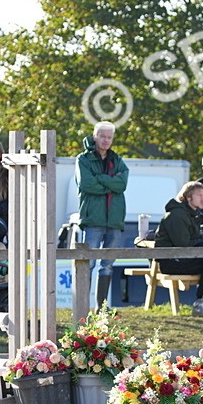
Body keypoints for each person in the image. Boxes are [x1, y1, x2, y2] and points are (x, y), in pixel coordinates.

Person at [76, 121, 129, 309]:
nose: (106, 140)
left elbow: (122, 184)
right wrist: (110, 184)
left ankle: (102, 308)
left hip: (114, 221)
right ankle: (83, 305)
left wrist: (100, 179)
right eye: (103, 136)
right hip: (93, 220)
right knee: (87, 264)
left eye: (109, 137)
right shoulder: (83, 159)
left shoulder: (117, 160)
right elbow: (86, 184)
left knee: (107, 265)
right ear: (95, 136)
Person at [155, 181, 203, 316]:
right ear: (188, 197)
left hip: (184, 258)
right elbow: (184, 244)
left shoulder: (193, 214)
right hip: (171, 261)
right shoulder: (176, 216)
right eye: (199, 195)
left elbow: (194, 238)